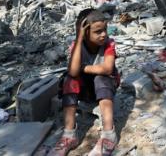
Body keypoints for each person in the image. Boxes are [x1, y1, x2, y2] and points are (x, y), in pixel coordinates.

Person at [49, 9, 119, 156]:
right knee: (69, 79)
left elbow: (107, 69)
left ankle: (109, 135)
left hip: (104, 89)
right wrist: (79, 39)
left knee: (101, 78)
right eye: (98, 31)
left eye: (104, 29)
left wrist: (84, 68)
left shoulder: (108, 44)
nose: (104, 34)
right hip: (85, 90)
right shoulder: (77, 46)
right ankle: (69, 136)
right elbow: (73, 72)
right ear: (85, 33)